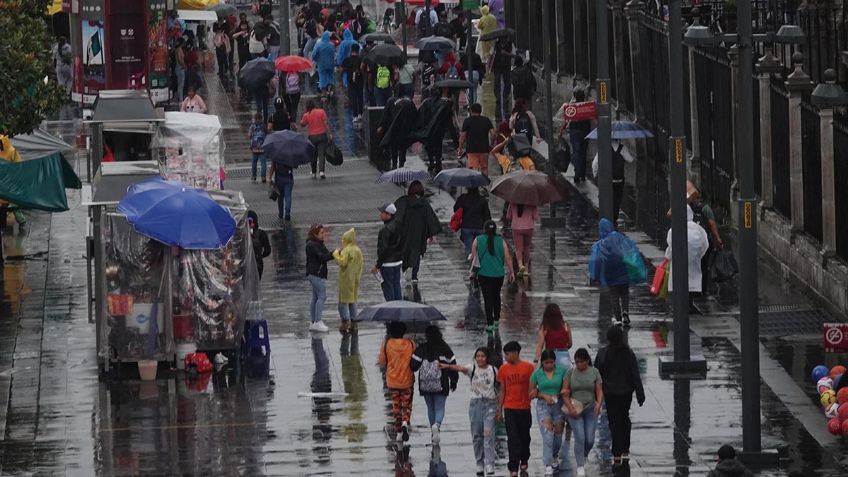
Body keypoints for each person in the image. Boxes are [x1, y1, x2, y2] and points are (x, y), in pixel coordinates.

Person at [440, 347, 498, 476]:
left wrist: (500, 409)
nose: (480, 358)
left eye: (483, 356)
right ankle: (479, 463)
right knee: (477, 435)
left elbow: (499, 386)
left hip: (490, 404)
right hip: (475, 404)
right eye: (478, 356)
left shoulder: (493, 370)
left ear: (487, 357)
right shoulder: (472, 369)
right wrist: (447, 366)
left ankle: (489, 463)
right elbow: (460, 368)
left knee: (488, 434)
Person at [594, 325, 645, 466]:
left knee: (614, 421)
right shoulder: (628, 354)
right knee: (624, 418)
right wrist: (640, 393)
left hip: (610, 393)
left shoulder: (603, 353)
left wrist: (595, 394)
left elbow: (596, 374)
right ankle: (625, 447)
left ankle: (617, 452)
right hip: (626, 392)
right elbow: (635, 374)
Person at [410, 326, 459, 445]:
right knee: (440, 407)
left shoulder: (422, 348)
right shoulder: (445, 348)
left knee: (430, 407)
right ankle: (437, 425)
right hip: (441, 383)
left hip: (425, 384)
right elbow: (453, 366)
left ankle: (433, 433)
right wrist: (454, 380)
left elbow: (413, 366)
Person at [590, 218, 642, 325]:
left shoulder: (601, 244)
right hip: (624, 272)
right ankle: (625, 312)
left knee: (614, 295)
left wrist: (595, 276)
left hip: (611, 275)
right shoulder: (620, 238)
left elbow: (597, 261)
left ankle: (618, 318)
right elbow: (630, 250)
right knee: (624, 293)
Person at [561, 348, 604, 476]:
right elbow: (564, 392)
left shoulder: (594, 372)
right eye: (576, 362)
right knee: (580, 436)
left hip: (590, 408)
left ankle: (583, 454)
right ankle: (580, 465)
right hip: (575, 409)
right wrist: (570, 408)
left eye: (581, 362)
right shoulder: (570, 373)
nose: (578, 364)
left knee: (589, 439)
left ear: (587, 361)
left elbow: (599, 390)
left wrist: (599, 403)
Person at [497, 341, 534, 477]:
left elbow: (533, 385)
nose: (505, 357)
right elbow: (502, 390)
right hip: (510, 407)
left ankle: (524, 458)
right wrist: (499, 409)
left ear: (515, 353)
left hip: (524, 407)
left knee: (525, 437)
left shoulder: (528, 368)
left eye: (507, 354)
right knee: (512, 438)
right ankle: (513, 466)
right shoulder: (503, 369)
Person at [393, 181, 441, 285]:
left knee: (405, 249)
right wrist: (431, 233)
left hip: (406, 230)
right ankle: (414, 275)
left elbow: (396, 215)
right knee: (417, 251)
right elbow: (430, 219)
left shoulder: (403, 200)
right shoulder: (424, 203)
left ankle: (406, 267)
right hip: (419, 231)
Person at [472, 220, 515, 331]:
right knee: (496, 296)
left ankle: (490, 324)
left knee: (487, 298)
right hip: (498, 274)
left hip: (484, 274)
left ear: (484, 229)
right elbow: (508, 257)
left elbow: (474, 257)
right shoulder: (501, 241)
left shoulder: (478, 240)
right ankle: (496, 320)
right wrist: (512, 272)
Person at [665, 204, 710, 310]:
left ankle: (681, 305)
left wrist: (668, 257)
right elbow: (705, 243)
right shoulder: (698, 228)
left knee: (680, 281)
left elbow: (671, 245)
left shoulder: (673, 229)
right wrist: (699, 255)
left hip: (678, 260)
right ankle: (689, 303)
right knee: (692, 281)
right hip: (694, 259)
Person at [378, 321, 417, 442]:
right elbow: (415, 360)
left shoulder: (386, 344)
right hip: (407, 380)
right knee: (406, 404)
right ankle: (405, 421)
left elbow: (382, 362)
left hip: (392, 381)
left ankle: (399, 430)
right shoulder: (410, 343)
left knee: (396, 405)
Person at [530, 350, 567, 474]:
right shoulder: (537, 374)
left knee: (557, 434)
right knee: (547, 434)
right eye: (546, 363)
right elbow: (531, 393)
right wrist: (542, 395)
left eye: (551, 362)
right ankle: (547, 463)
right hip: (543, 405)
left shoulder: (562, 371)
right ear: (542, 362)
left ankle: (554, 455)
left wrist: (563, 393)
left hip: (558, 404)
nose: (549, 365)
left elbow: (566, 387)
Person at [687, 184, 724, 295]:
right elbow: (712, 226)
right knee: (703, 266)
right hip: (704, 243)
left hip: (689, 242)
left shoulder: (687, 207)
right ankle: (702, 289)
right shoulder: (705, 208)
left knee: (691, 266)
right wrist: (718, 240)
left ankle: (691, 288)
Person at [333, 228, 364, 334]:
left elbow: (342, 262)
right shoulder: (358, 250)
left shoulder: (347, 250)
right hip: (355, 279)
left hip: (346, 278)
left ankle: (345, 321)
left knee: (343, 301)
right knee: (353, 300)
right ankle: (354, 322)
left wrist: (336, 253)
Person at [305, 224, 334, 332]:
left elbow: (326, 254)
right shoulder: (313, 245)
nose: (324, 234)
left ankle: (313, 322)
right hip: (315, 274)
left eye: (324, 232)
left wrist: (334, 253)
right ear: (315, 234)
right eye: (321, 233)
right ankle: (318, 321)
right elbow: (323, 257)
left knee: (316, 297)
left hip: (314, 273)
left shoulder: (318, 243)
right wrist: (333, 254)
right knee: (322, 295)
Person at [559, 89, 592, 183]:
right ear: (584, 96)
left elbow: (566, 120)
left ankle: (577, 173)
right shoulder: (587, 106)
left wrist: (560, 131)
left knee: (576, 152)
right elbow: (593, 119)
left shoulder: (571, 107)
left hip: (575, 132)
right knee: (583, 153)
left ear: (575, 96)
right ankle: (582, 174)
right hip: (586, 132)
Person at [374, 203, 403, 301]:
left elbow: (383, 249)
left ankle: (392, 310)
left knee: (388, 289)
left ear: (389, 215)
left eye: (382, 213)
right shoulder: (398, 225)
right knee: (396, 287)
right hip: (397, 262)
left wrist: (378, 265)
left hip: (387, 264)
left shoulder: (385, 230)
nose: (380, 215)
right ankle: (399, 308)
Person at [378, 95, 418, 169]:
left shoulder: (390, 101)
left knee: (394, 147)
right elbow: (414, 114)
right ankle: (401, 165)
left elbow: (385, 114)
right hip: (404, 129)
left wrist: (382, 125)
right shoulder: (408, 101)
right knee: (402, 148)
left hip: (393, 129)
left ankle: (394, 164)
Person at [453, 187, 491, 260]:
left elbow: (456, 209)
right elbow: (487, 216)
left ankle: (472, 262)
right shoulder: (482, 200)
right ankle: (479, 263)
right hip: (480, 227)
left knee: (470, 249)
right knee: (480, 249)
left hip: (467, 227)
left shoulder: (463, 198)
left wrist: (460, 200)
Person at [533, 303, 573, 371]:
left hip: (549, 357)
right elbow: (570, 344)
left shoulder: (544, 326)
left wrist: (536, 361)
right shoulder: (565, 325)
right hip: (564, 357)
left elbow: (540, 345)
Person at [458, 103, 495, 176]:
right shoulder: (486, 120)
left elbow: (462, 136)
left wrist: (460, 148)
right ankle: (485, 184)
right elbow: (493, 133)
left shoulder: (467, 121)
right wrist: (491, 144)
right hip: (484, 148)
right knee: (484, 168)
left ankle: (474, 186)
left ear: (471, 111)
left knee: (472, 168)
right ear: (480, 111)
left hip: (472, 149)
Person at [506, 203, 538, 276]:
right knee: (527, 247)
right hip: (529, 227)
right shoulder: (532, 202)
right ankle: (526, 268)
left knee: (518, 248)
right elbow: (535, 217)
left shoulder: (512, 203)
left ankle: (520, 265)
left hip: (516, 227)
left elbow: (508, 216)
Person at [301, 99, 330, 179]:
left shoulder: (306, 115)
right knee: (321, 154)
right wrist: (329, 133)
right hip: (322, 135)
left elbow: (302, 124)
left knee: (313, 155)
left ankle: (313, 172)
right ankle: (321, 171)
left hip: (312, 137)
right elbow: (326, 123)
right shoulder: (321, 111)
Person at [490, 36, 514, 122]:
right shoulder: (496, 44)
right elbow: (492, 54)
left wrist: (506, 53)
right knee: (497, 82)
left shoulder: (510, 44)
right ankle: (497, 97)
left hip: (506, 66)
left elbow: (513, 54)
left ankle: (505, 97)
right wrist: (490, 66)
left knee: (507, 82)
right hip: (497, 66)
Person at [341, 44, 364, 122]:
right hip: (360, 81)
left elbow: (342, 68)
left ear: (351, 50)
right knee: (360, 97)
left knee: (353, 99)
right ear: (358, 50)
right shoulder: (361, 59)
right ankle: (360, 113)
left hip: (351, 81)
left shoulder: (347, 59)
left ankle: (355, 116)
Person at [246, 210, 271, 279]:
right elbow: (268, 251)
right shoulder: (262, 233)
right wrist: (260, 256)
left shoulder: (241, 235)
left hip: (244, 266)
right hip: (258, 264)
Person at [311, 31, 337, 97]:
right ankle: (329, 90)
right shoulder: (332, 45)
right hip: (331, 64)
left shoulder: (319, 45)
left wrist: (316, 59)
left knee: (322, 78)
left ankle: (324, 93)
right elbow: (334, 54)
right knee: (330, 77)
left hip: (321, 64)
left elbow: (314, 55)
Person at [248, 113, 267, 182]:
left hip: (254, 148)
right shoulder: (264, 126)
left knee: (254, 162)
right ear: (261, 119)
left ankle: (254, 176)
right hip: (262, 147)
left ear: (255, 119)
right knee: (263, 163)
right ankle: (263, 177)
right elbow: (268, 135)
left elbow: (249, 135)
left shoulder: (252, 126)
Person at [174, 38, 187, 102]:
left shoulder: (177, 49)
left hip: (179, 67)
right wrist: (184, 66)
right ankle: (181, 99)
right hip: (180, 68)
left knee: (180, 84)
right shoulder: (179, 49)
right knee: (181, 84)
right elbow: (179, 60)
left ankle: (180, 98)